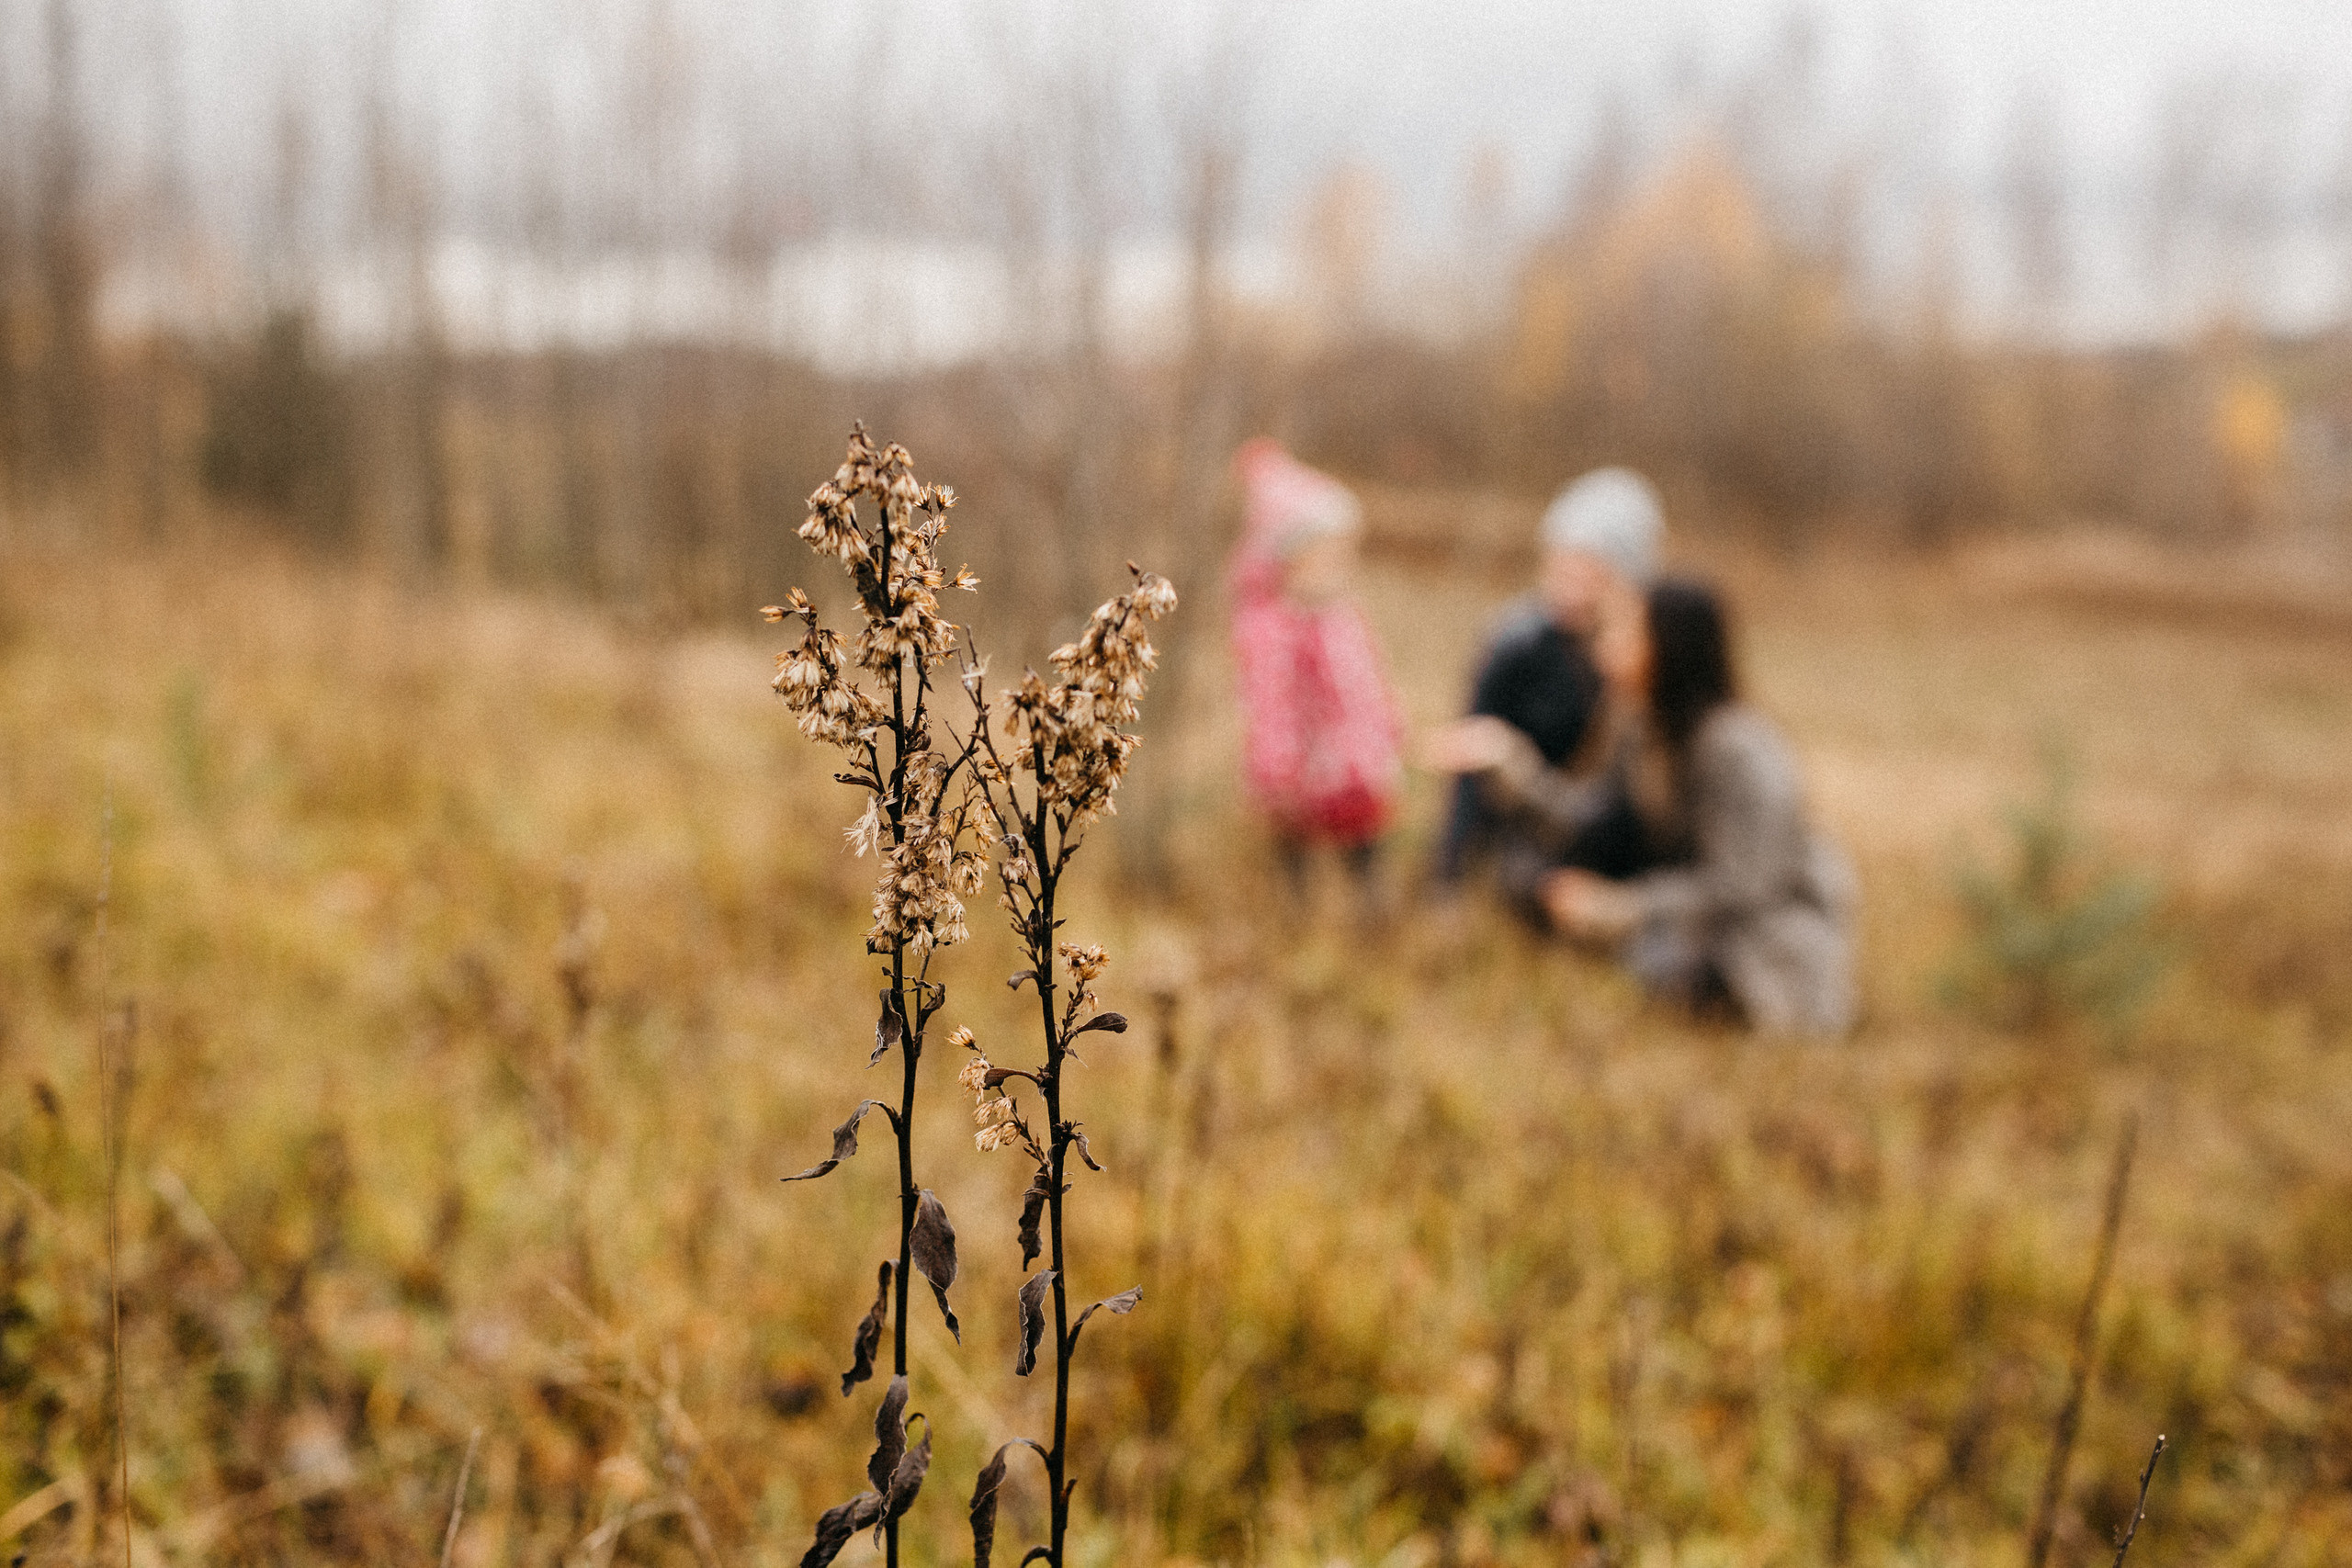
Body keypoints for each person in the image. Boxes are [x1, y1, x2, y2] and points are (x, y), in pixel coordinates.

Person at [1453, 578, 1857, 1036]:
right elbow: (1591, 821)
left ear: (1671, 650)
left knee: (1663, 964)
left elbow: (1741, 888)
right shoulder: (1640, 726)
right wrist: (1509, 763)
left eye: (1627, 632)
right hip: (1682, 910)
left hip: (1763, 935)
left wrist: (1623, 910)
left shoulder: (1741, 750)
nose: (1607, 646)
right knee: (1527, 872)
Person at [1430, 467, 1667, 904]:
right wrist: (1449, 879)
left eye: (1587, 567)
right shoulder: (1515, 643)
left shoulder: (1642, 657)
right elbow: (1470, 768)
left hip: (1611, 833)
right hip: (1532, 821)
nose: (1567, 581)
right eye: (1560, 560)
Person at [1227, 438, 1404, 900]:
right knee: (1295, 837)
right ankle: (1297, 904)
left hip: (1354, 760)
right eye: (1328, 554)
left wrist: (1389, 724)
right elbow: (1271, 706)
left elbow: (1367, 680)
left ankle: (1370, 903)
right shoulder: (1274, 629)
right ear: (1289, 562)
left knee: (1363, 834)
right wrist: (1277, 769)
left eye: (1345, 553)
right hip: (1303, 766)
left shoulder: (1342, 614)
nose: (1341, 565)